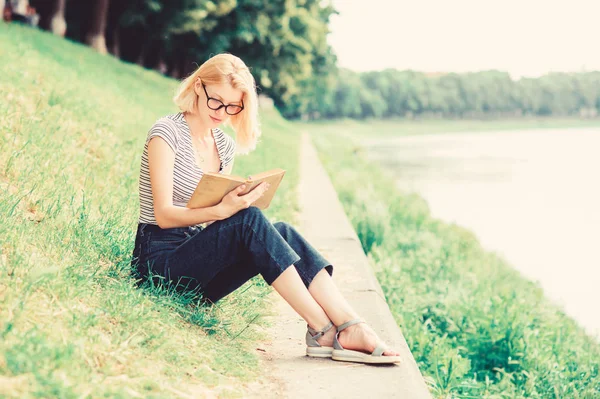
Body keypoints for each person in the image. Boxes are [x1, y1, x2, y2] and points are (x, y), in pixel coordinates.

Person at [130, 53, 401, 364]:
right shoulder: (166, 133)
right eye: (216, 102)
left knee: (280, 230)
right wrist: (225, 212)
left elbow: (211, 224)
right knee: (249, 221)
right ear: (198, 87)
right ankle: (323, 327)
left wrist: (238, 203)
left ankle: (351, 324)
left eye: (233, 106)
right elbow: (163, 215)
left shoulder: (223, 146)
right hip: (158, 266)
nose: (223, 112)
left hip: (196, 267)